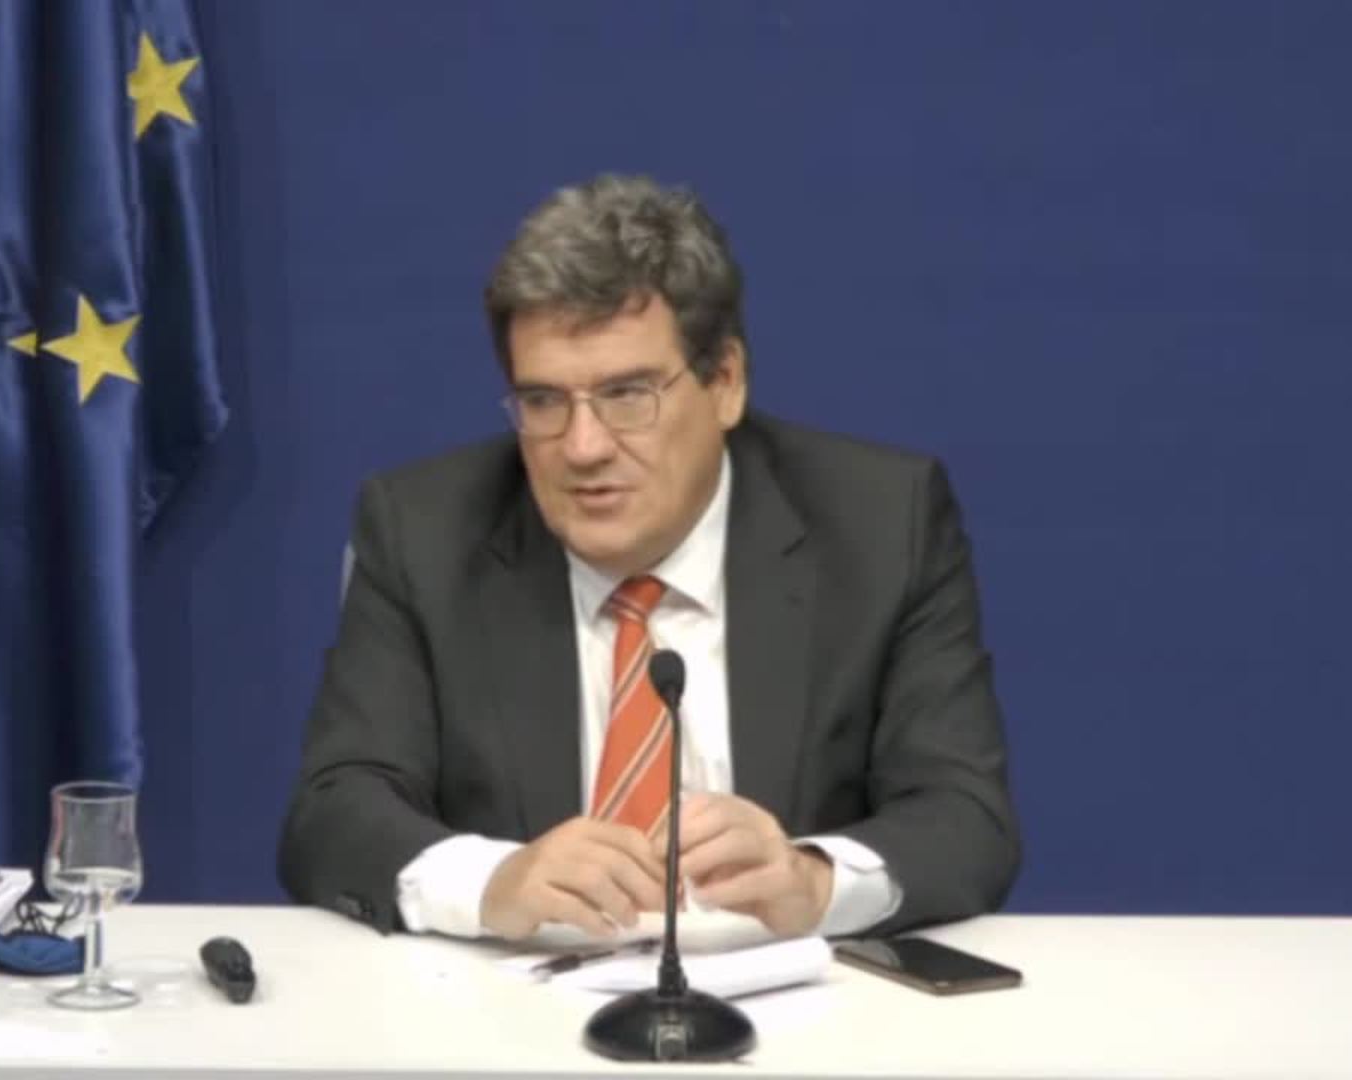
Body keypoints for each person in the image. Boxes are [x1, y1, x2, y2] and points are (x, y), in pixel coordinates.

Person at [278, 174, 1019, 941]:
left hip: (789, 993)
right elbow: (334, 813)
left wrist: (815, 881)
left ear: (724, 382)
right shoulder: (425, 533)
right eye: (543, 401)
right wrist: (492, 882)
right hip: (507, 998)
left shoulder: (879, 524)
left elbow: (965, 817)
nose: (583, 447)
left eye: (627, 394)